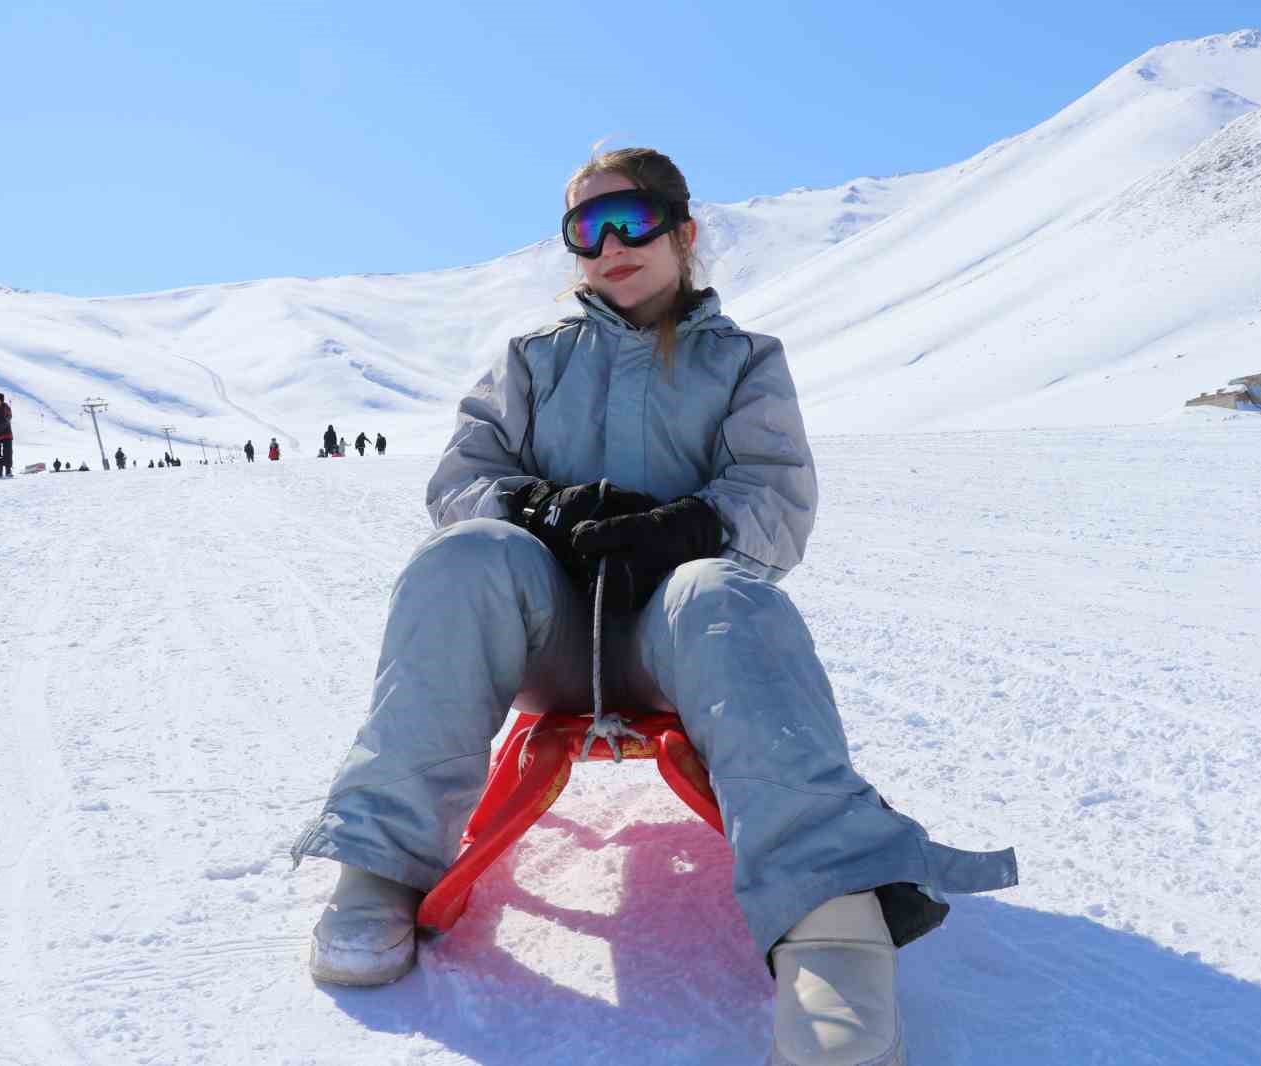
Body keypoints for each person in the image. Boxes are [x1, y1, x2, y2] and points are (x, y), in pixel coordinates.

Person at [290, 148, 1016, 1066]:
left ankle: (832, 919)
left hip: (681, 642)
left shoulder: (745, 363)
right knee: (464, 555)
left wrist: (691, 529)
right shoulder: (532, 361)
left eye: (628, 218)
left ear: (683, 229)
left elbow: (778, 501)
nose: (608, 246)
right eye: (584, 229)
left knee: (724, 592)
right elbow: (460, 481)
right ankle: (382, 862)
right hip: (550, 635)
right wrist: (534, 507)